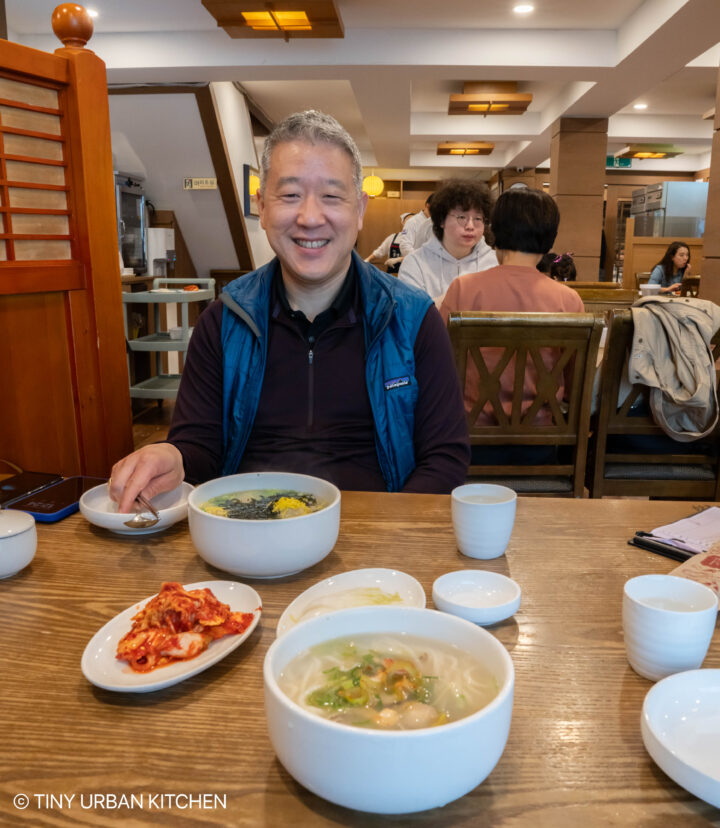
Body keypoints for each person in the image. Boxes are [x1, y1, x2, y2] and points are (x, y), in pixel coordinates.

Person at [110, 110, 470, 512]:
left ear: (360, 209)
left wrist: (384, 532)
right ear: (262, 206)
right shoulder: (223, 321)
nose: (310, 217)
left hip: (372, 541)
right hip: (248, 536)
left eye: (332, 196)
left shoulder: (413, 320)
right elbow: (200, 449)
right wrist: (173, 456)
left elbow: (445, 458)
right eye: (290, 195)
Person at [439, 187, 584, 432]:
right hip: (542, 438)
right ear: (550, 238)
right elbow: (575, 386)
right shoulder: (568, 301)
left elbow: (439, 368)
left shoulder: (463, 289)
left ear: (494, 232)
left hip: (469, 435)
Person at [398, 179, 498, 302]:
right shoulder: (416, 263)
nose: (470, 226)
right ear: (441, 220)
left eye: (478, 218)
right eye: (462, 217)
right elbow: (411, 313)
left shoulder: (495, 263)